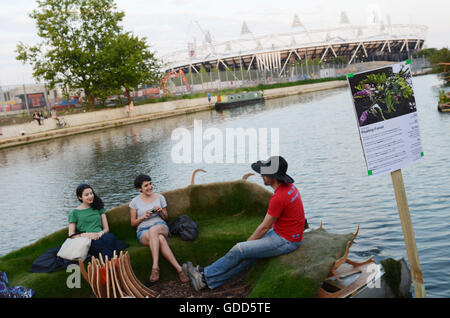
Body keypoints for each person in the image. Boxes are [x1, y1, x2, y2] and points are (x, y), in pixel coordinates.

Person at [183, 155, 305, 291]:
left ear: (273, 176)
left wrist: (246, 245)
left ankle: (204, 276)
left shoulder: (279, 197)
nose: (261, 175)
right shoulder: (289, 187)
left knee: (240, 249)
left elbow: (264, 227)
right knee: (249, 255)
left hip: (287, 240)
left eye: (264, 173)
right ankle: (208, 279)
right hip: (284, 233)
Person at [129, 174, 189, 283]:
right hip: (143, 231)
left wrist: (160, 211)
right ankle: (179, 270)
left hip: (160, 226)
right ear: (139, 189)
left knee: (154, 231)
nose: (150, 187)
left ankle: (155, 267)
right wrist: (143, 217)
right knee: (160, 239)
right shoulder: (134, 202)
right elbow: (133, 223)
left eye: (150, 183)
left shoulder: (160, 197)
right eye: (146, 185)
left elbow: (166, 217)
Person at [68, 184, 126, 260]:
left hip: (101, 236)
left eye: (91, 193)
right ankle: (111, 265)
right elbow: (71, 235)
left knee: (110, 237)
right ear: (80, 197)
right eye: (86, 195)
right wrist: (87, 235)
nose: (90, 196)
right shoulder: (74, 213)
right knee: (111, 245)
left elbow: (106, 229)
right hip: (87, 241)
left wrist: (100, 233)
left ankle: (106, 266)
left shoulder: (98, 207)